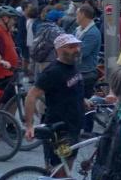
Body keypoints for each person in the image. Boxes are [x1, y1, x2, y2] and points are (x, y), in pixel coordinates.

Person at [23, 34, 86, 171]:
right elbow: (31, 95)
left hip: (73, 127)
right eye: (70, 47)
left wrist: (84, 101)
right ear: (59, 50)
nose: (76, 50)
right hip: (59, 130)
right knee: (54, 171)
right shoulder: (53, 71)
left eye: (77, 46)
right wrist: (29, 125)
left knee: (67, 166)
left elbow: (71, 90)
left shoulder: (73, 65)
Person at [0, 6, 21, 114]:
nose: (14, 22)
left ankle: (7, 122)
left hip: (10, 71)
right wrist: (1, 60)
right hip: (2, 72)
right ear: (5, 18)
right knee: (7, 99)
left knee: (12, 98)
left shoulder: (6, 31)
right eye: (13, 19)